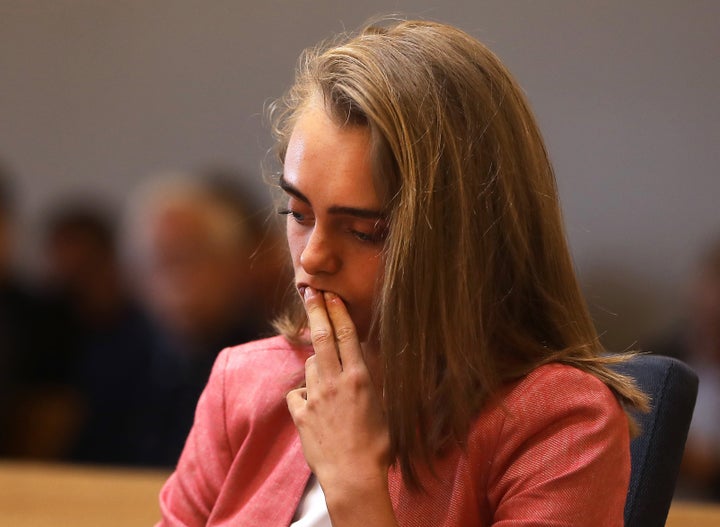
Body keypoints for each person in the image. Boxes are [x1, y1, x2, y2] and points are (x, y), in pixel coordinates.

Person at [156, 19, 648, 526]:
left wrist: (353, 482)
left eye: (365, 231)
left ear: (463, 243)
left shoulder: (560, 423)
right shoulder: (245, 381)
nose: (312, 257)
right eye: (299, 214)